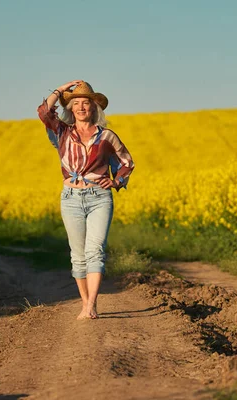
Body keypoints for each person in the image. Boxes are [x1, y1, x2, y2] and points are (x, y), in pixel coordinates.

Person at [37, 80, 135, 320]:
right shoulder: (61, 132)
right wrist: (61, 90)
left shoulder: (107, 136)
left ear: (94, 108)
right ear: (70, 109)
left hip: (99, 197)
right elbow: (43, 112)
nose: (81, 107)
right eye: (76, 103)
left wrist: (116, 182)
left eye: (86, 103)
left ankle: (91, 304)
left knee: (95, 251)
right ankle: (85, 302)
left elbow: (126, 162)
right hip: (70, 198)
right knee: (77, 254)